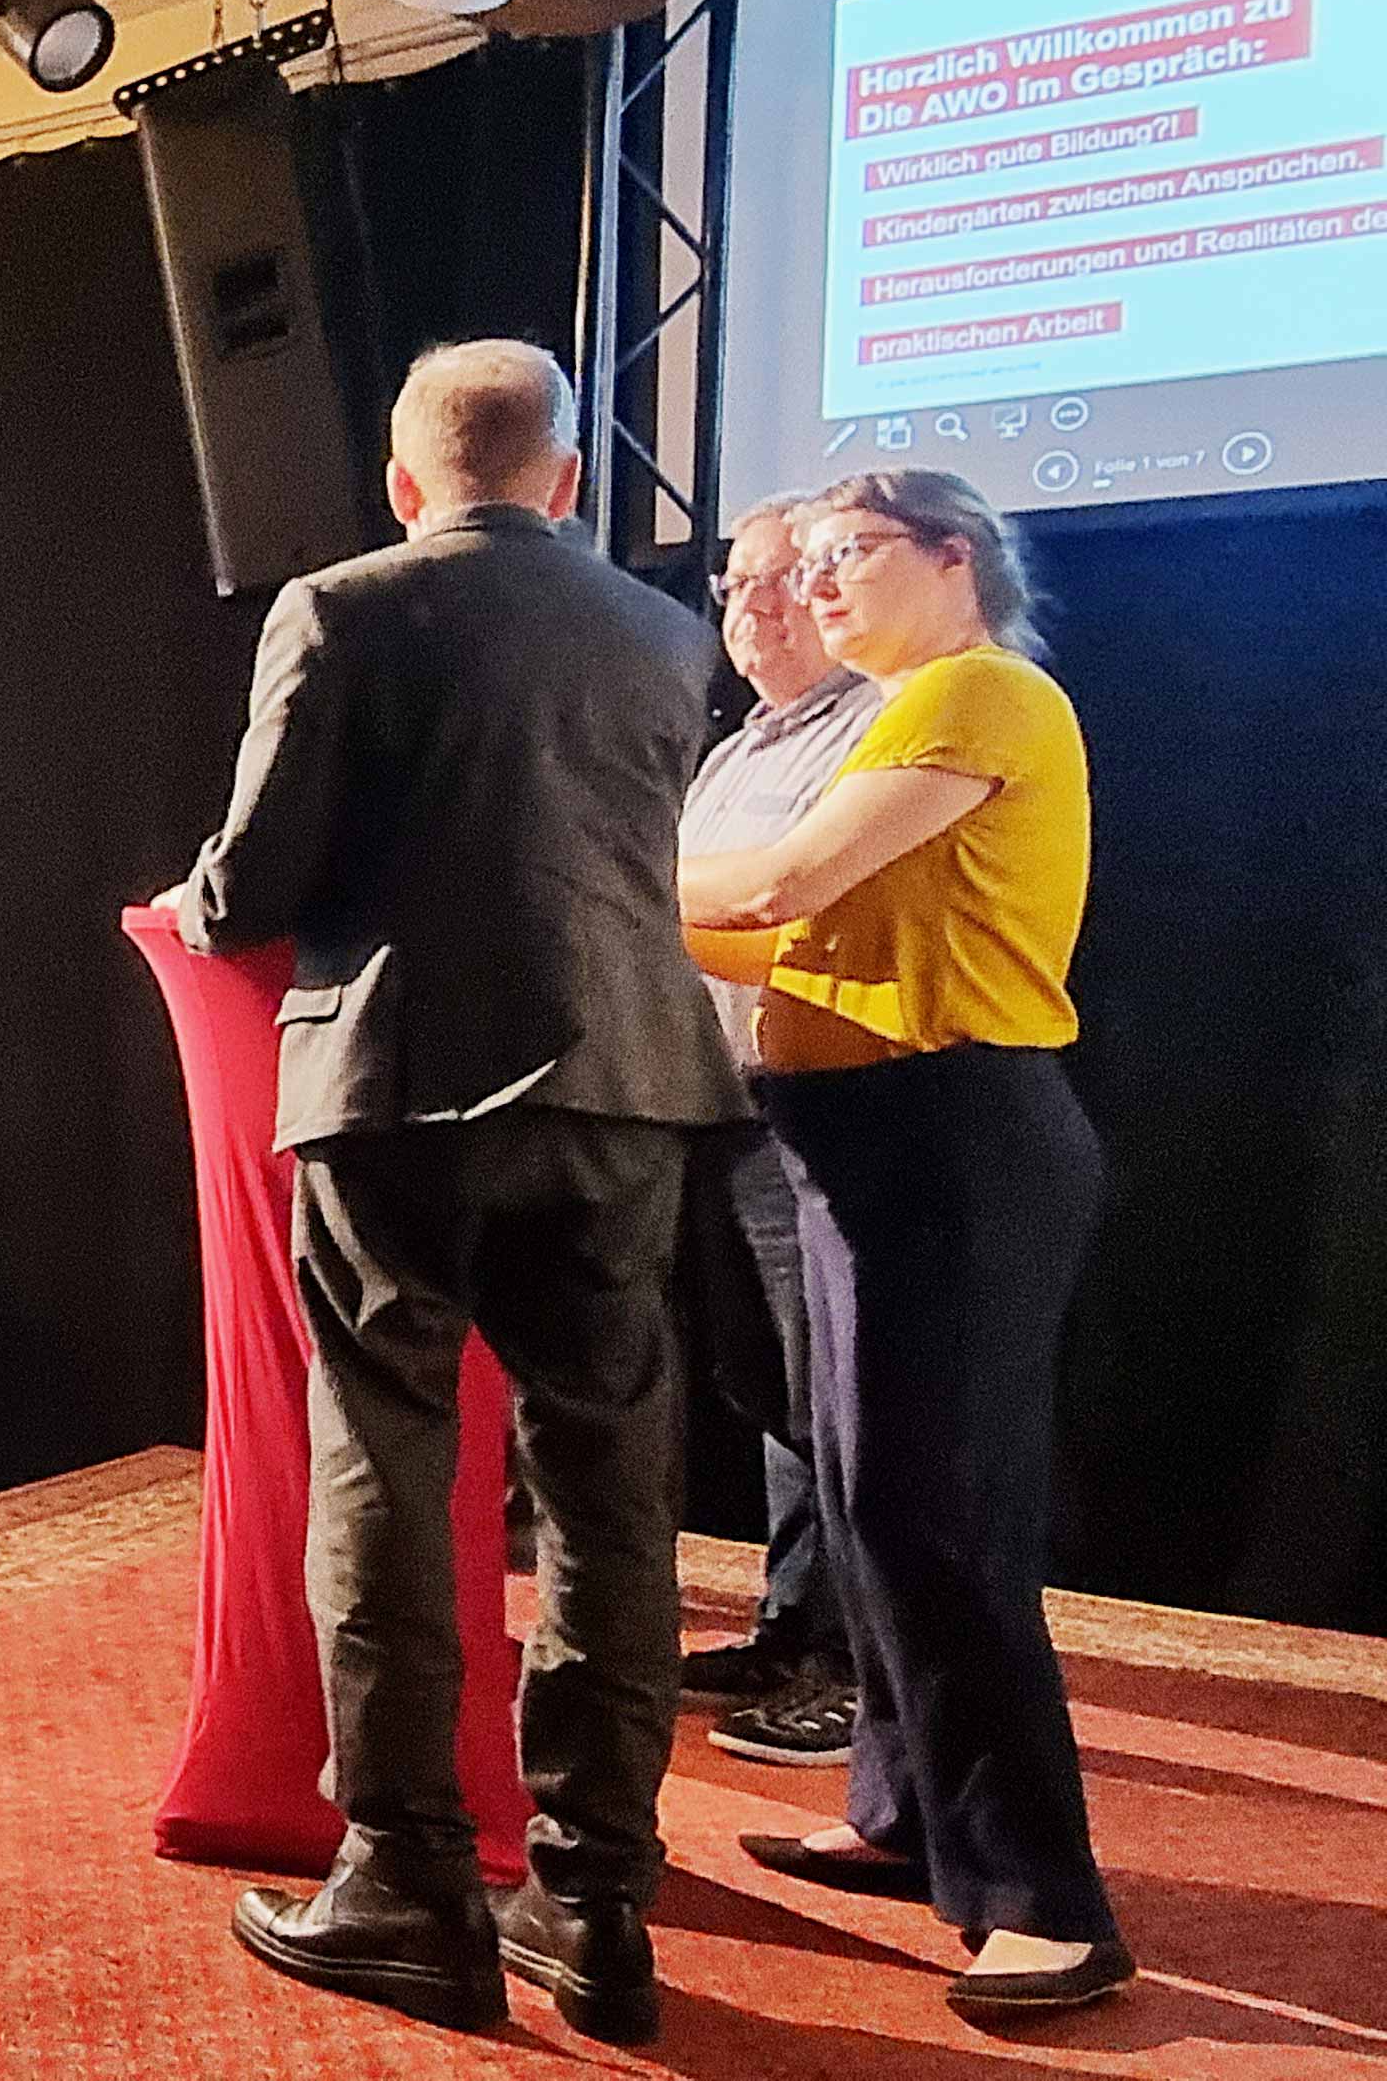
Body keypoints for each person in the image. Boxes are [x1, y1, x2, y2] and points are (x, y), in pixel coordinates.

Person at [168, 340, 744, 2047]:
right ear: (566, 478)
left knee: (387, 1466)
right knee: (609, 1495)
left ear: (404, 481)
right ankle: (597, 1900)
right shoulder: (665, 632)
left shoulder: (339, 609)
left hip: (399, 1089)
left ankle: (408, 1881)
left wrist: (202, 904)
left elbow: (254, 882)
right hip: (624, 1091)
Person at [683, 468, 1125, 2014]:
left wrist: (593, 869)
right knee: (872, 1502)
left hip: (949, 1139)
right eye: (799, 560)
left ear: (953, 556)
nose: (812, 584)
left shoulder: (976, 691)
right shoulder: (895, 713)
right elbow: (775, 937)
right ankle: (905, 1814)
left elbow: (784, 883)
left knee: (939, 1519)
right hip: (858, 1144)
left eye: (845, 553)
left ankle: (1045, 1901)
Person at [675, 498, 887, 1771]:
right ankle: (793, 1629)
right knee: (767, 1386)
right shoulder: (738, 750)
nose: (749, 609)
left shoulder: (876, 728)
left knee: (834, 1396)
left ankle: (861, 1677)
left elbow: (785, 898)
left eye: (777, 583)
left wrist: (628, 882)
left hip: (815, 1102)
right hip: (714, 1105)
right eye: (732, 587)